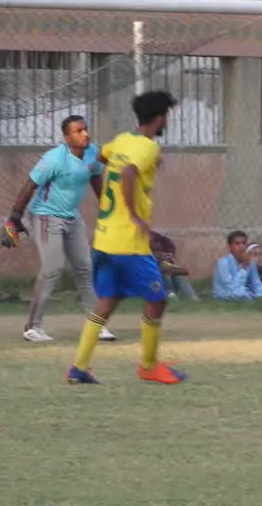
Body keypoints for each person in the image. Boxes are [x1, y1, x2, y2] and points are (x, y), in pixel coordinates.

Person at [65, 90, 187, 386]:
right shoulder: (147, 148)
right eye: (166, 116)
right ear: (159, 119)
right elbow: (130, 172)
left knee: (108, 300)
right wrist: (134, 214)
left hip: (104, 240)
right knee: (157, 300)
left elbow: (102, 155)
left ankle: (79, 367)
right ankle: (148, 365)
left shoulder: (121, 141)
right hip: (128, 243)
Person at [0, 115, 117, 343]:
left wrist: (107, 207)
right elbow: (29, 185)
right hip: (45, 216)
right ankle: (32, 327)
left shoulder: (92, 152)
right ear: (66, 137)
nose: (85, 134)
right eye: (78, 131)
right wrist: (14, 218)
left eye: (85, 129)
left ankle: (97, 325)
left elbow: (95, 177)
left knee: (85, 267)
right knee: (53, 267)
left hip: (72, 217)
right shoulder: (54, 159)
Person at [213, 230, 262, 301]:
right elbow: (232, 290)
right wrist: (244, 268)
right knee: (241, 295)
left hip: (244, 293)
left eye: (244, 243)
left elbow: (257, 286)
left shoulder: (250, 263)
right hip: (226, 295)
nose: (241, 247)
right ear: (230, 247)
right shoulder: (223, 263)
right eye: (237, 244)